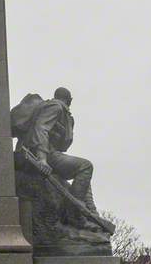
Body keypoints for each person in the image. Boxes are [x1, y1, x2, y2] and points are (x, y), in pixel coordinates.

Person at [18, 87, 99, 217]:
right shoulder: (56, 107)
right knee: (85, 166)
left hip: (48, 153)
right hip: (42, 153)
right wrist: (42, 159)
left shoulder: (55, 107)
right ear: (70, 100)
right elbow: (41, 128)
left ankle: (91, 210)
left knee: (83, 174)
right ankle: (73, 213)